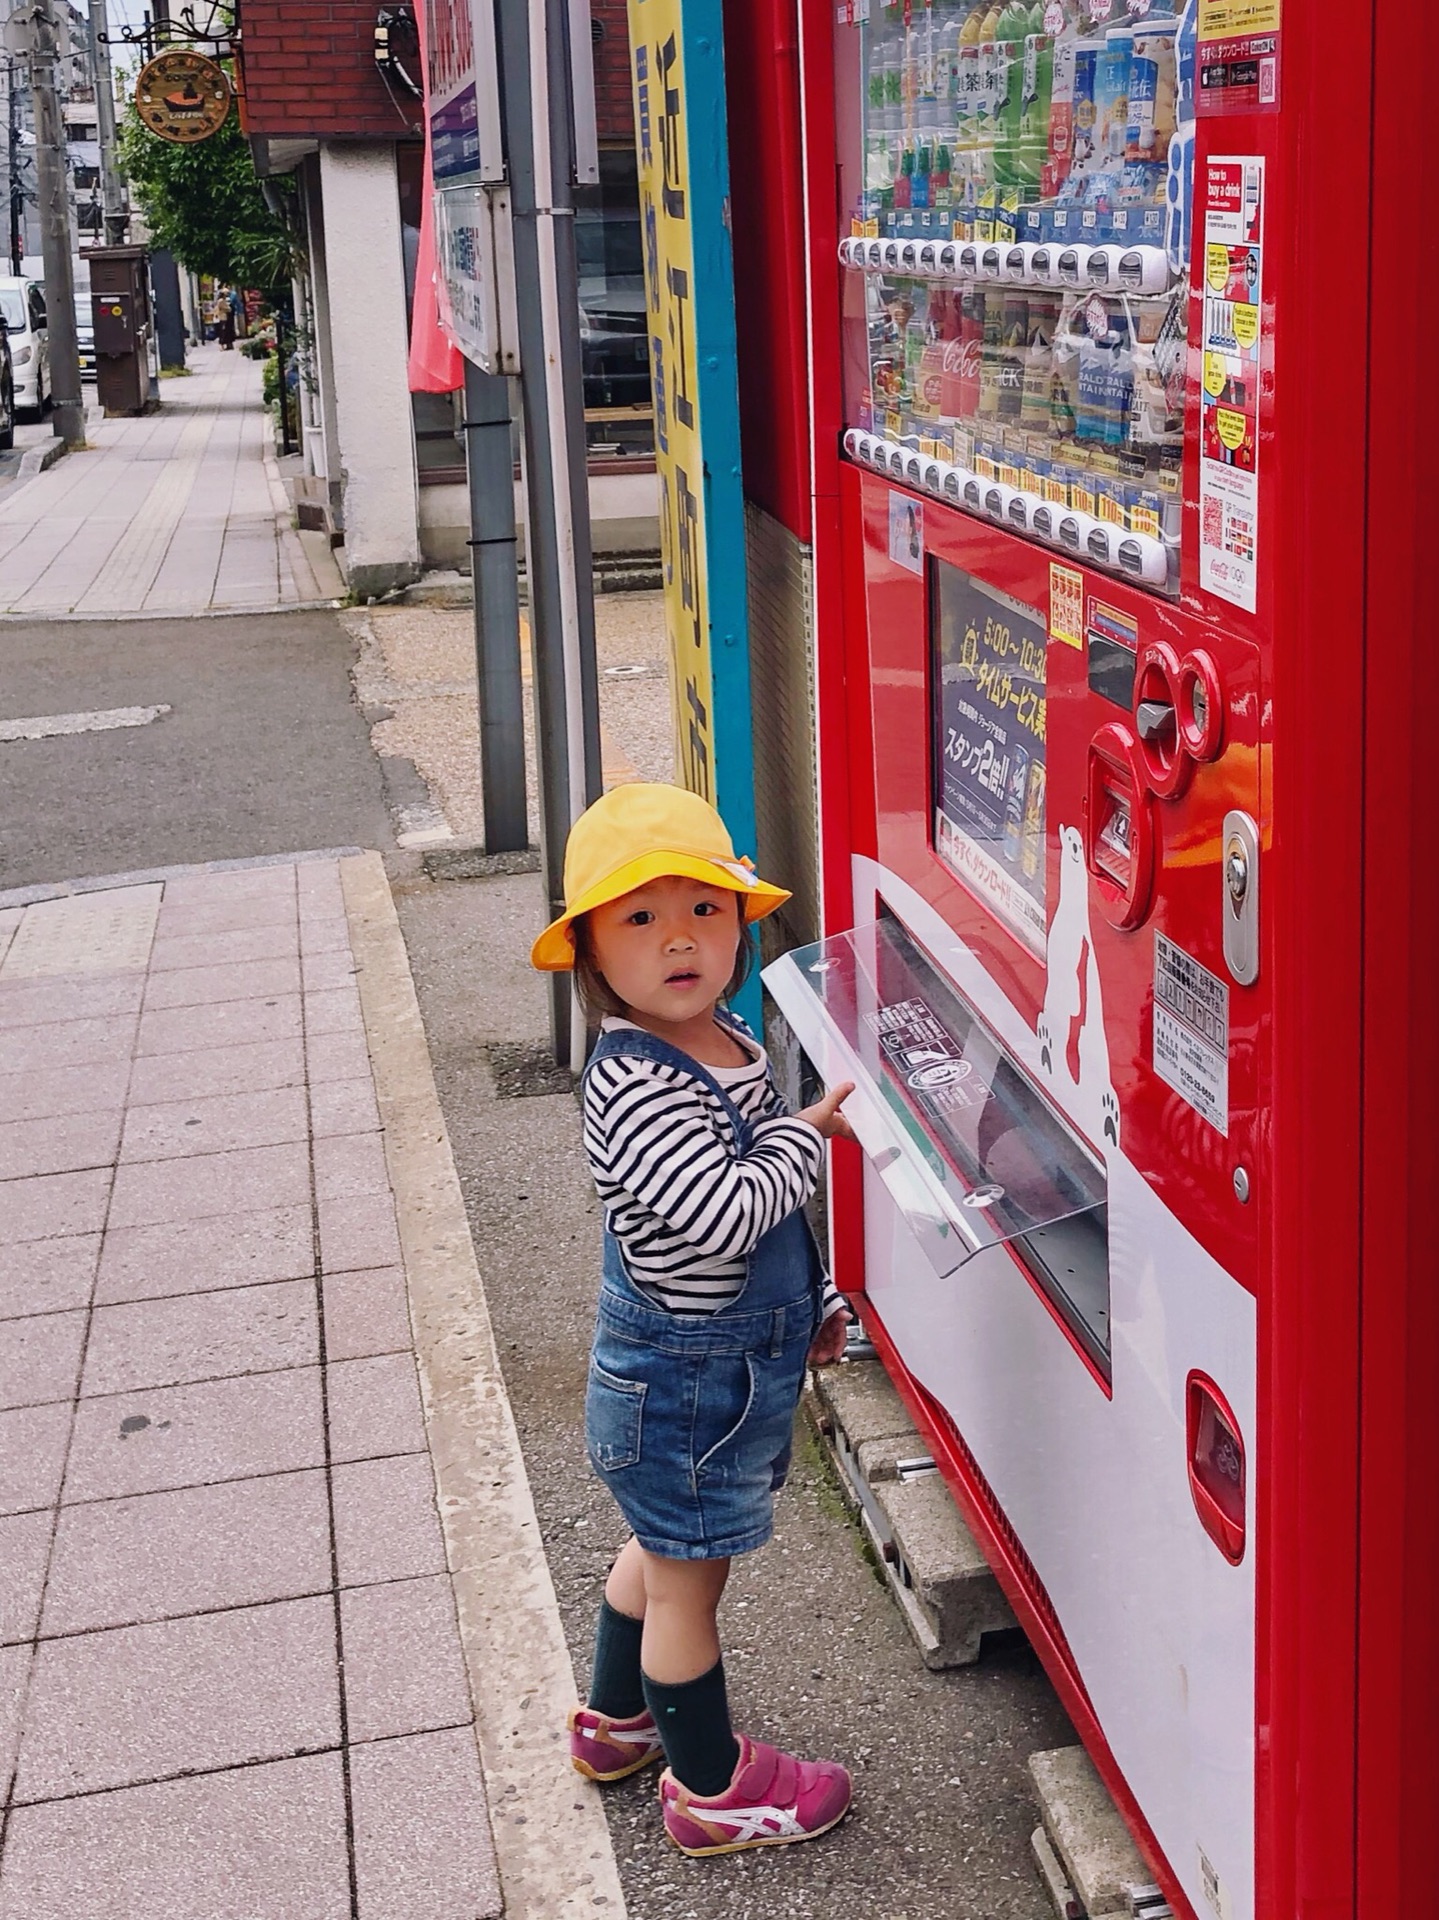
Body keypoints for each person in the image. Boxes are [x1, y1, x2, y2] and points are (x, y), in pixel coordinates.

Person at [531, 782, 857, 1857]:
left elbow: (770, 1232)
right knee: (686, 1582)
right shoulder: (635, 1081)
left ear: (738, 923)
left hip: (715, 1370)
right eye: (640, 918)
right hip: (679, 1383)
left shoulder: (723, 1036)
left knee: (658, 1549)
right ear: (589, 954)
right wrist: (807, 1139)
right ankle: (711, 1788)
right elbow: (726, 1217)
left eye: (703, 910)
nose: (679, 939)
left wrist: (810, 1301)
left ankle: (616, 1724)